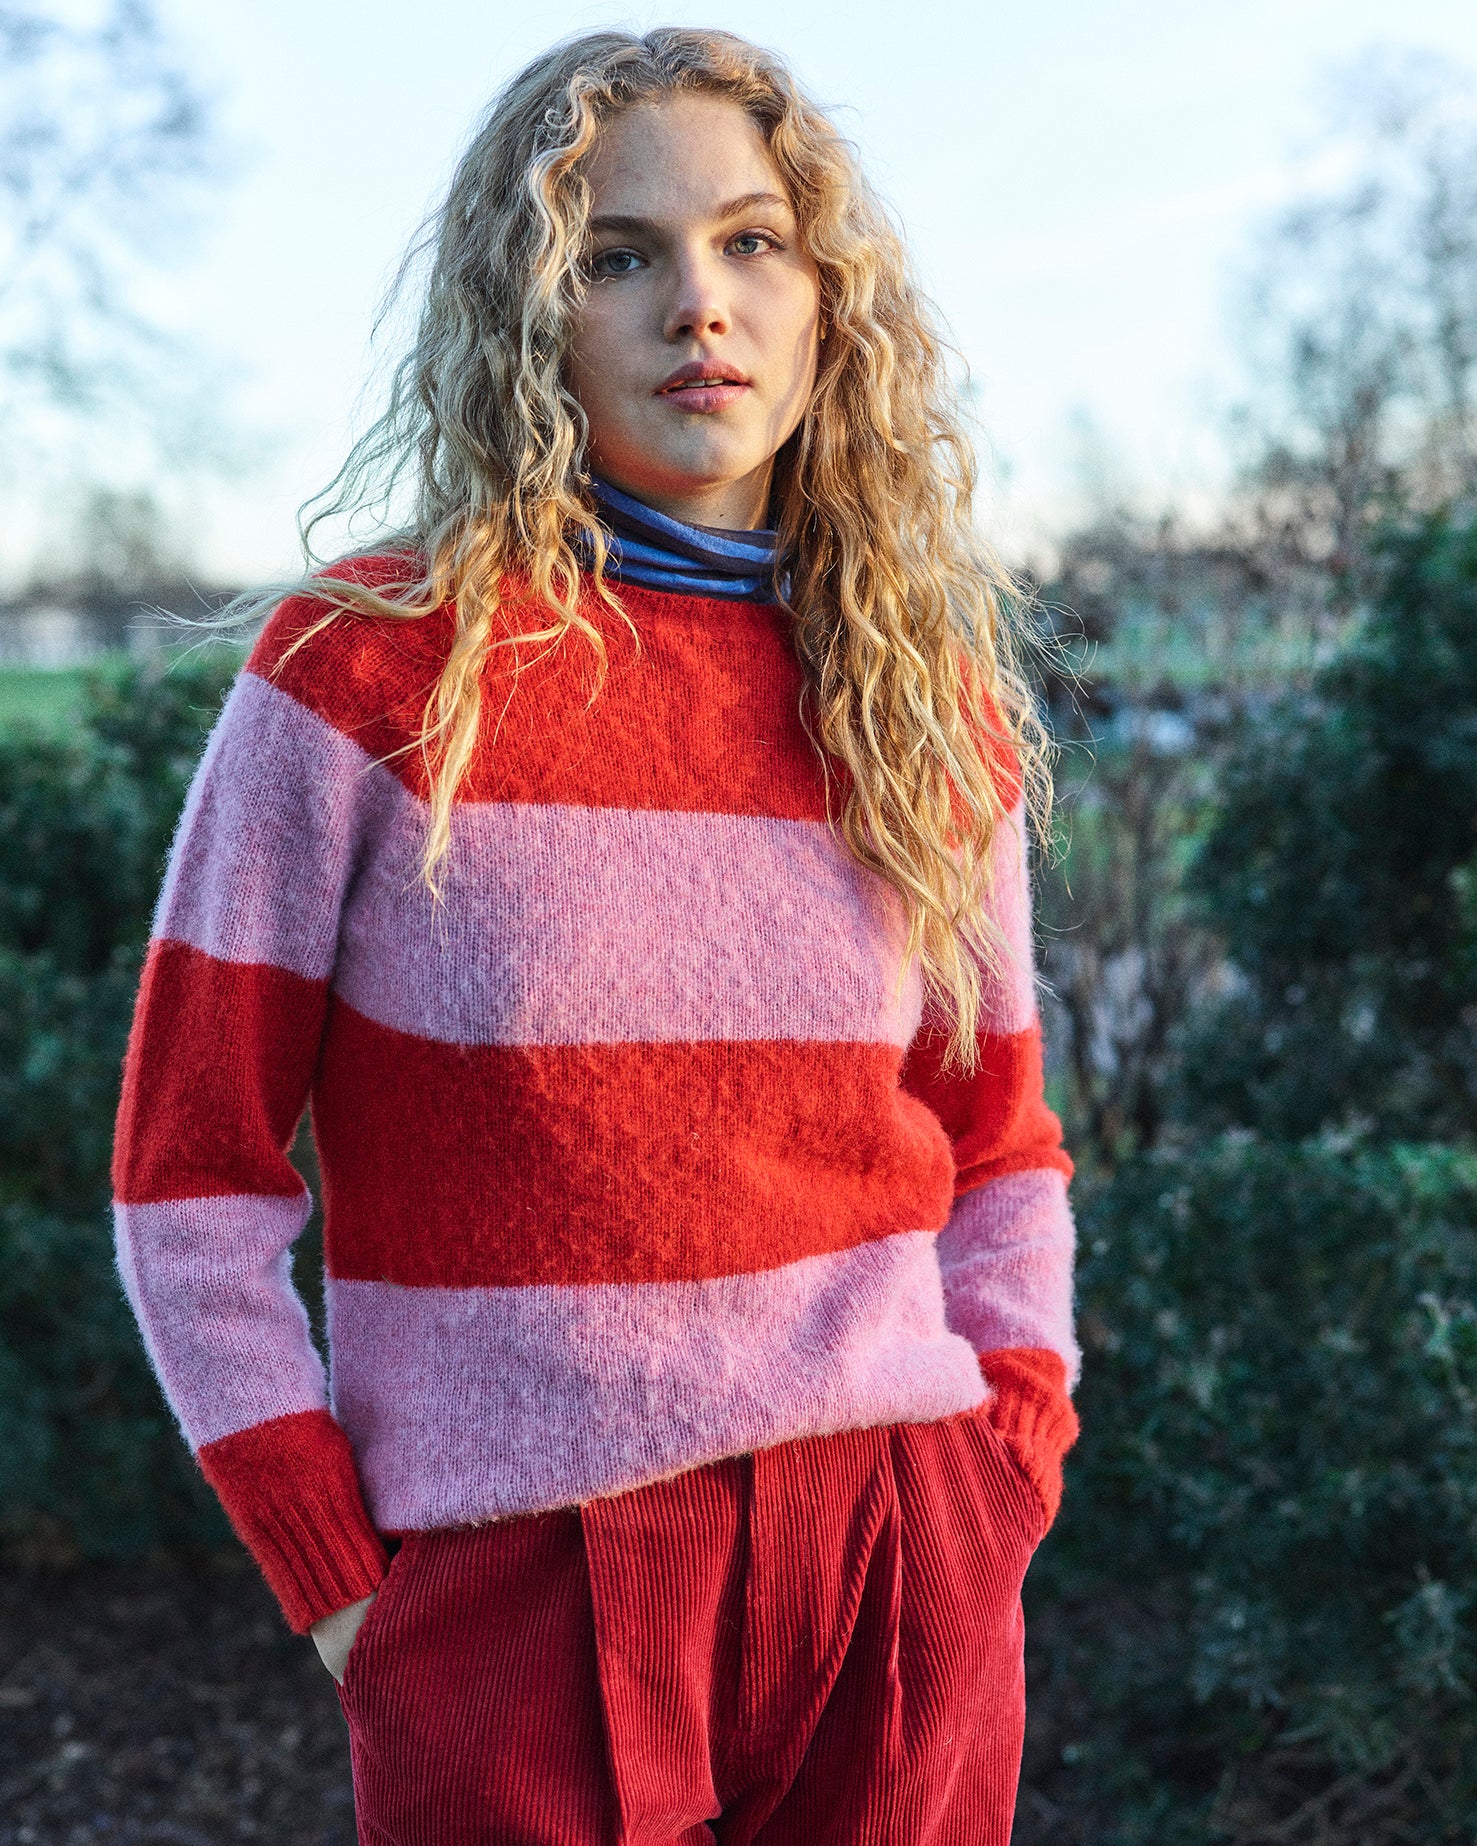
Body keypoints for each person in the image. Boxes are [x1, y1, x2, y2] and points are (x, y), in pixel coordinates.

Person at [111, 26, 1078, 1845]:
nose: (696, 302)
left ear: (826, 300)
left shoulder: (921, 701)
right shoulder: (368, 669)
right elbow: (191, 1178)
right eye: (616, 254)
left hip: (894, 1550)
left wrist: (1003, 1463)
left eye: (751, 241)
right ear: (527, 314)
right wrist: (337, 1581)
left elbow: (997, 1144)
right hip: (509, 1585)